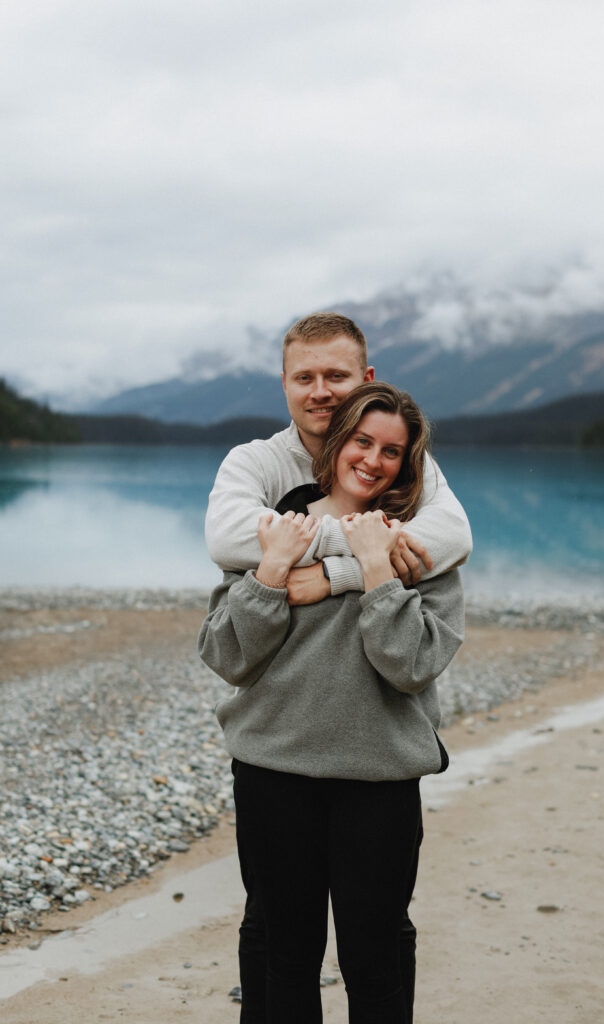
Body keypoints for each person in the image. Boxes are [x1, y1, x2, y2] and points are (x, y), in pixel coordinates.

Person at [199, 382, 465, 1023]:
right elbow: (228, 655)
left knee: (374, 962)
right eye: (362, 441)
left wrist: (376, 571)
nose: (373, 460)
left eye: (393, 452)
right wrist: (270, 573)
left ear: (409, 464)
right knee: (285, 961)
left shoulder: (416, 550)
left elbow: (412, 667)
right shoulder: (277, 529)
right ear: (337, 441)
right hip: (273, 772)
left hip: (379, 778)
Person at [205, 312, 472, 606]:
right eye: (304, 378)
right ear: (285, 384)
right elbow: (226, 539)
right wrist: (368, 542)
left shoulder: (398, 458)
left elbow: (454, 537)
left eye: (336, 376)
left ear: (367, 380)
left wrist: (338, 573)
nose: (320, 392)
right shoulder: (252, 461)